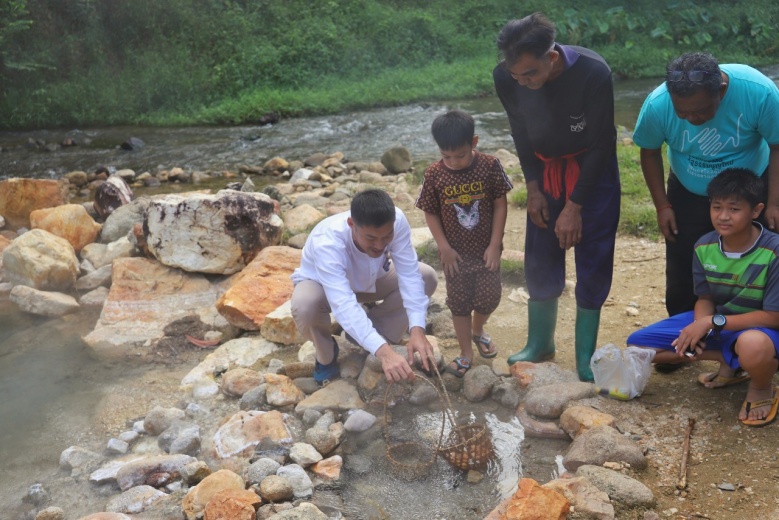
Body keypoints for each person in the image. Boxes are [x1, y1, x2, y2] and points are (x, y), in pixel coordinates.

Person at [493, 12, 621, 381]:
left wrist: (575, 206)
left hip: (592, 173)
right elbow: (520, 132)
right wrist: (533, 188)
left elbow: (601, 144)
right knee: (541, 252)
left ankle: (585, 356)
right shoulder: (507, 76)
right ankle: (540, 343)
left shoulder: (594, 73)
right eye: (515, 75)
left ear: (551, 58)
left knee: (593, 255)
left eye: (529, 74)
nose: (522, 82)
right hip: (546, 172)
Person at [632, 51, 779, 318]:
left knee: (769, 250)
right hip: (689, 189)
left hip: (753, 184)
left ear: (721, 91)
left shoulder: (758, 92)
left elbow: (777, 145)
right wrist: (662, 205)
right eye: (682, 112)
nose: (692, 119)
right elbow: (649, 151)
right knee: (682, 257)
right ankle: (685, 332)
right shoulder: (658, 104)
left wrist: (774, 203)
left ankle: (764, 329)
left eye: (700, 111)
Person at [627, 168, 779, 426]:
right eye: (717, 207)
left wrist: (710, 323)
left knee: (752, 346)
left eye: (734, 209)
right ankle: (728, 360)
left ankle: (762, 387)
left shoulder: (773, 251)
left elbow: (774, 316)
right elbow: (705, 297)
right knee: (637, 347)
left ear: (756, 210)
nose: (723, 216)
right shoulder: (703, 246)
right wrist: (700, 327)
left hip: (763, 329)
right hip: (721, 321)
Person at [290, 189, 438, 385]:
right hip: (324, 288)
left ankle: (375, 335)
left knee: (426, 276)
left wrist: (417, 330)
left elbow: (409, 274)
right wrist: (385, 354)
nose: (379, 245)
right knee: (304, 305)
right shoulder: (327, 241)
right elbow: (343, 303)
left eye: (386, 237)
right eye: (371, 238)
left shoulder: (398, 220)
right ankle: (326, 354)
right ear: (352, 224)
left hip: (374, 279)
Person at [415, 109, 513, 377]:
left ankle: (478, 330)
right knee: (458, 302)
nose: (454, 162)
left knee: (489, 297)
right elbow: (430, 211)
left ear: (474, 142)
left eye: (460, 155)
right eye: (447, 156)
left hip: (485, 250)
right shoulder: (434, 174)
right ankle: (465, 352)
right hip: (454, 254)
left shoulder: (489, 165)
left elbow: (500, 203)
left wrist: (495, 244)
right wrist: (444, 248)